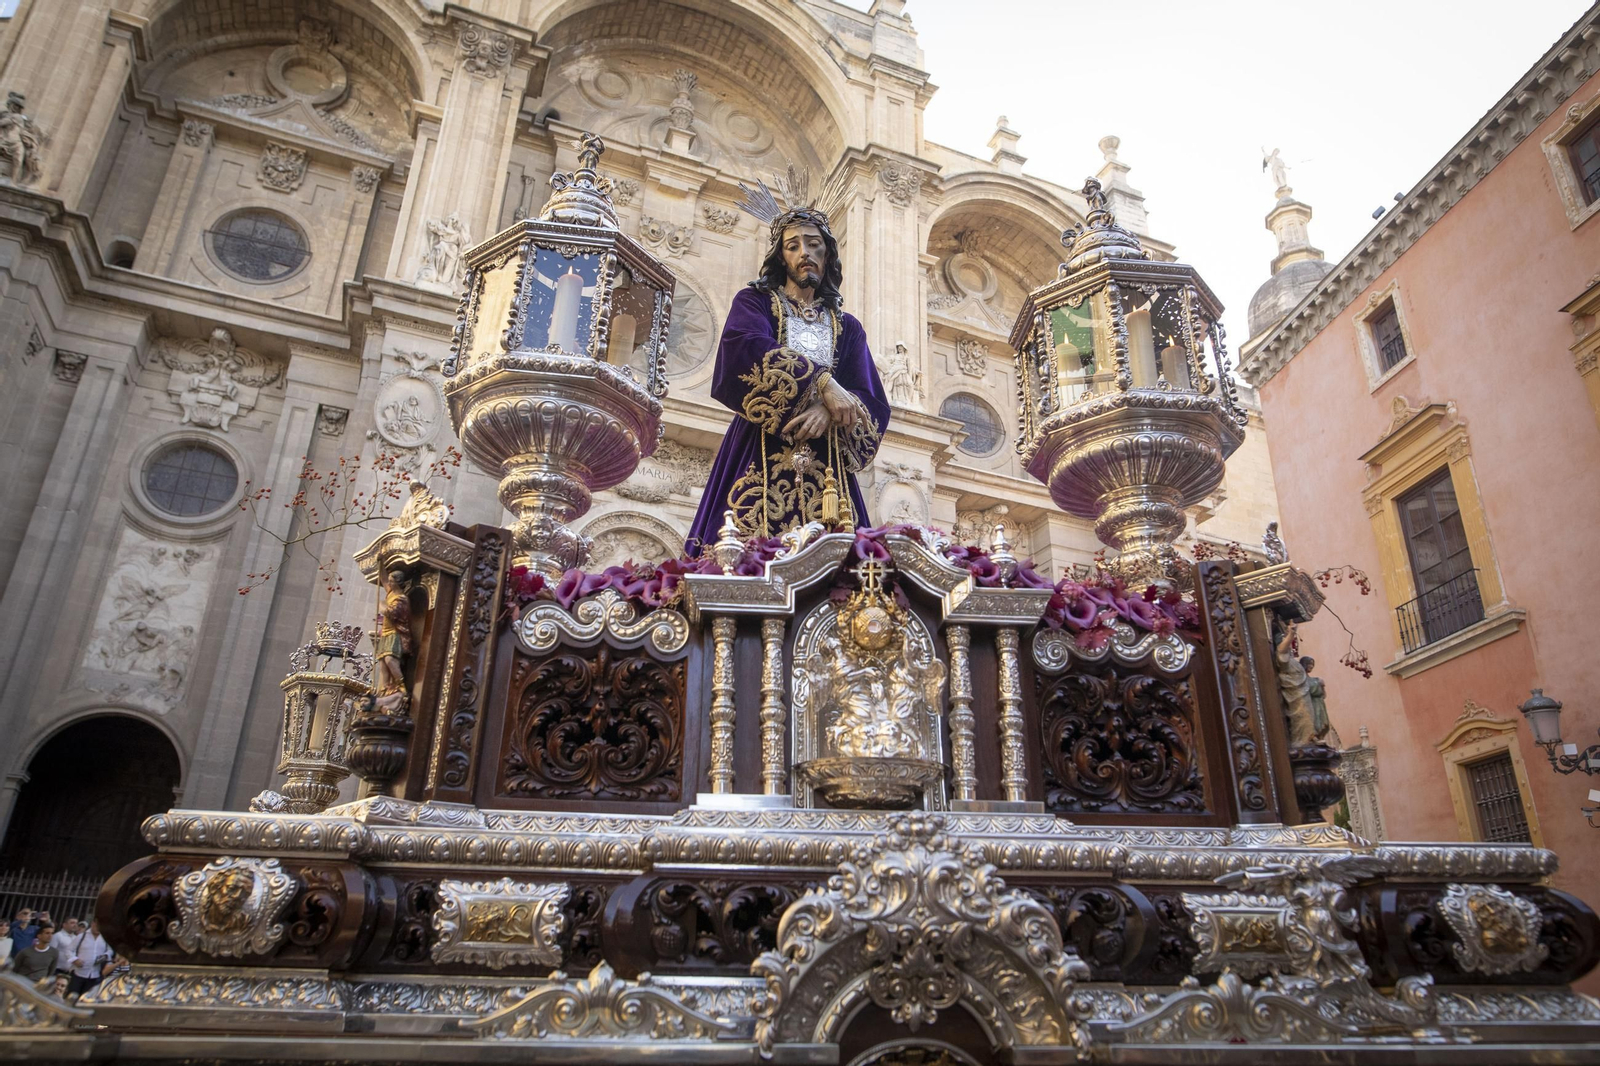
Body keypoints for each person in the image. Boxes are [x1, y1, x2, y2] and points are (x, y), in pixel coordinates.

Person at [686, 168, 889, 549]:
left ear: (827, 254)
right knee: (737, 550)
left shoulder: (847, 327)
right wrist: (824, 384)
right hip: (757, 446)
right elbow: (744, 347)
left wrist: (829, 411)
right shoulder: (757, 302)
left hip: (828, 467)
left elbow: (870, 397)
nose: (804, 254)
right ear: (781, 256)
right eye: (793, 245)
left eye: (813, 245)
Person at [65, 918, 109, 997]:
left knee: (87, 998)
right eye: (97, 925)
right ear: (92, 924)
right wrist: (75, 960)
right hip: (79, 973)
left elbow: (110, 951)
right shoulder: (82, 936)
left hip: (95, 975)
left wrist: (105, 956)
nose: (98, 928)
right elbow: (69, 950)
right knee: (71, 996)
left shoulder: (105, 939)